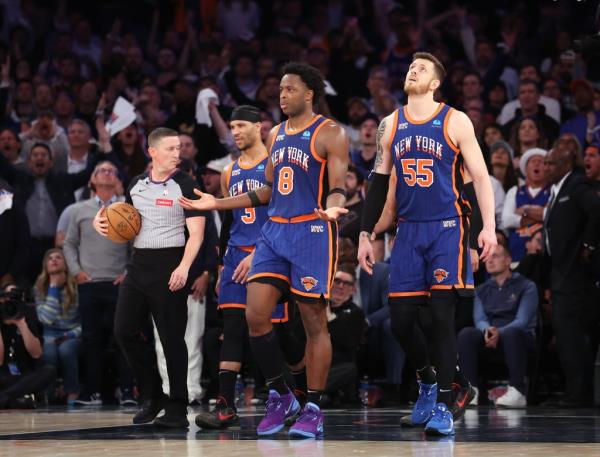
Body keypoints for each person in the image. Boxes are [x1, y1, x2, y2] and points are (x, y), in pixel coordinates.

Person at [180, 62, 349, 438]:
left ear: (308, 93)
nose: (282, 95)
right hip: (274, 233)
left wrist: (335, 204)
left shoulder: (331, 133)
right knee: (255, 315)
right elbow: (267, 190)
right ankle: (281, 394)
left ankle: (314, 407)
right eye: (280, 90)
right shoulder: (275, 134)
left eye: (289, 89)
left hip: (312, 232)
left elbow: (338, 184)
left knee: (313, 323)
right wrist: (216, 204)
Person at [358, 52, 496, 436]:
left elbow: (481, 178)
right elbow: (379, 182)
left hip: (448, 227)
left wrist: (487, 228)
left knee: (440, 318)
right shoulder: (390, 123)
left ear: (435, 83)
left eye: (421, 69)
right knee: (400, 323)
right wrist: (366, 234)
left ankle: (447, 405)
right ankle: (430, 381)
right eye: (410, 67)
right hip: (408, 229)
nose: (412, 70)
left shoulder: (455, 120)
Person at [195, 105, 305, 430]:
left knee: (282, 334)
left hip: (270, 253)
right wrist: (219, 267)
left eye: (242, 125)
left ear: (259, 127)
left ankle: (299, 393)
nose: (236, 132)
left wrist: (259, 251)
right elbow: (228, 221)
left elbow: (284, 215)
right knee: (232, 328)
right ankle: (225, 405)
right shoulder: (229, 172)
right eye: (232, 126)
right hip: (234, 258)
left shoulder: (276, 165)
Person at [93, 128, 206, 428]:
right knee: (124, 330)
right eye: (170, 148)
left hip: (171, 262)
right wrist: (99, 219)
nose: (177, 153)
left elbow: (197, 234)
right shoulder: (136, 184)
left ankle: (178, 407)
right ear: (152, 152)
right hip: (138, 263)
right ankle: (153, 395)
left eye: (179, 148)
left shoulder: (187, 184)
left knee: (171, 339)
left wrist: (183, 267)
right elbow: (121, 217)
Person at [63, 161, 135, 406]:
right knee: (91, 339)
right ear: (91, 180)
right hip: (89, 283)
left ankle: (126, 391)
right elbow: (69, 244)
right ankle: (92, 391)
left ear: (117, 180)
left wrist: (128, 272)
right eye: (101, 170)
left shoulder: (127, 208)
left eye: (112, 170)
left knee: (122, 336)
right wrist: (76, 272)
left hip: (119, 283)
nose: (107, 172)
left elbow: (137, 246)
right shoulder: (78, 210)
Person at [543, 147, 600, 406]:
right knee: (566, 336)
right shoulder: (557, 190)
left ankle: (579, 395)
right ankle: (576, 392)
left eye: (550, 163)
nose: (545, 168)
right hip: (561, 275)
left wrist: (588, 245)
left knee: (571, 337)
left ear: (566, 164)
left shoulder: (576, 185)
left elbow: (597, 209)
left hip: (575, 277)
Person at [457, 243, 538, 408]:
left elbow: (522, 321)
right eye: (487, 257)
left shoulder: (527, 286)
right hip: (490, 338)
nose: (489, 260)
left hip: (519, 338)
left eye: (495, 256)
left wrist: (498, 332)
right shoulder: (481, 290)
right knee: (467, 333)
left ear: (508, 260)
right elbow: (479, 319)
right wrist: (487, 331)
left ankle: (517, 390)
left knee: (512, 333)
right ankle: (471, 391)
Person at [34, 248, 82, 405]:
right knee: (48, 350)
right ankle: (48, 392)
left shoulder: (76, 287)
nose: (54, 260)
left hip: (74, 332)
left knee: (66, 349)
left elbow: (85, 322)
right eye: (50, 258)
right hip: (50, 332)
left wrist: (69, 335)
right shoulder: (39, 288)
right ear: (46, 266)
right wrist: (53, 288)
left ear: (66, 264)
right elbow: (46, 319)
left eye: (58, 257)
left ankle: (72, 390)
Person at [0, 284, 56, 409]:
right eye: (8, 298)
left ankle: (4, 398)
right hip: (2, 376)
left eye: (16, 299)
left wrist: (21, 324)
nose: (11, 303)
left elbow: (36, 353)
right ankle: (13, 400)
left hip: (23, 377)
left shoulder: (27, 316)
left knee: (49, 370)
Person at [501, 148, 550, 262]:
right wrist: (540, 214)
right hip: (516, 251)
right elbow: (507, 220)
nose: (537, 164)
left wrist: (525, 210)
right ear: (526, 169)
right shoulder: (514, 191)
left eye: (541, 162)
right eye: (533, 161)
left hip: (542, 253)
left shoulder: (553, 190)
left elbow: (552, 215)